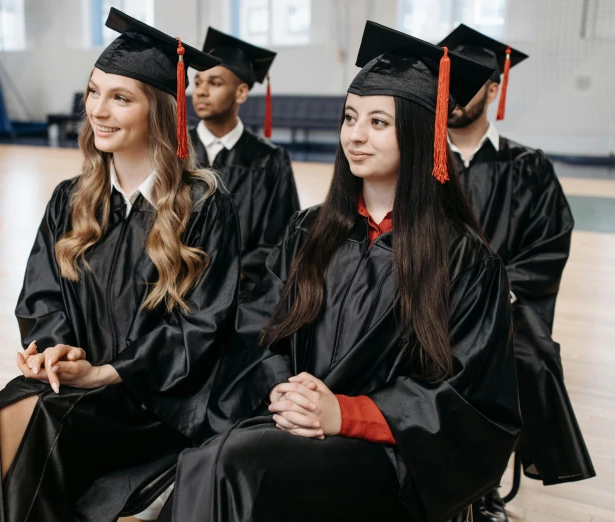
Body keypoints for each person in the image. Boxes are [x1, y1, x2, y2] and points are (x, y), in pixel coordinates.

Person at [163, 21, 522, 522]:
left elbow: (471, 396)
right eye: (350, 117)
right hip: (286, 422)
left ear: (420, 134)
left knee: (233, 465)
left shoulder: (465, 259)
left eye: (378, 122)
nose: (354, 135)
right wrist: (285, 392)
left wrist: (345, 413)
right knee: (214, 462)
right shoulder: (309, 231)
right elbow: (259, 328)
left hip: (388, 455)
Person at [0, 9, 241, 522]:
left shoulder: (203, 206)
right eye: (94, 92)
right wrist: (54, 352)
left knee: (40, 420)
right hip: (78, 384)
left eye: (121, 98)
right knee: (15, 406)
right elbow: (42, 296)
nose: (98, 109)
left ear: (160, 111)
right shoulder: (71, 199)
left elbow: (200, 328)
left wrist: (107, 372)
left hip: (154, 401)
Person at [439, 23, 595, 522]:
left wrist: (490, 292)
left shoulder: (528, 166)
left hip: (505, 307)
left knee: (523, 359)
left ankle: (483, 487)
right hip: (426, 300)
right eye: (450, 82)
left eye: (470, 83)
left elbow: (548, 249)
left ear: (493, 87)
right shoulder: (422, 165)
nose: (457, 96)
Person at [191, 27, 300, 293]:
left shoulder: (269, 159)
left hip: (240, 294)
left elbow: (281, 236)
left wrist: (231, 274)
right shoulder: (175, 151)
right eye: (197, 82)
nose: (201, 91)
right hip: (176, 288)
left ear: (240, 93)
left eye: (215, 83)